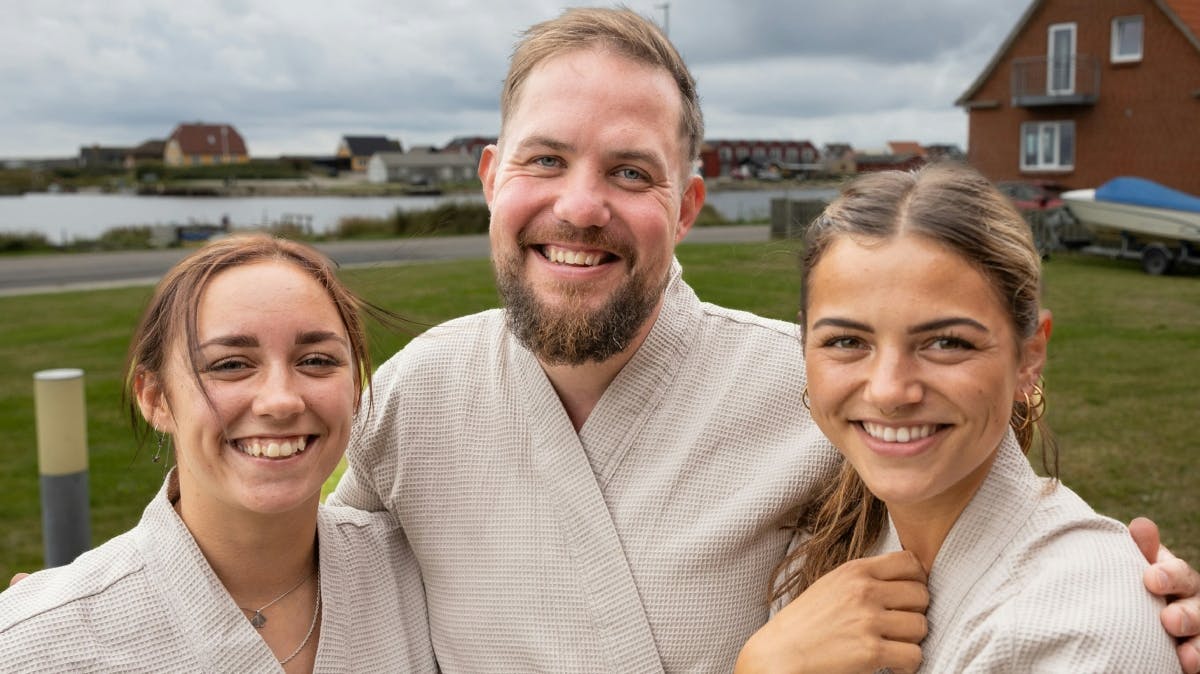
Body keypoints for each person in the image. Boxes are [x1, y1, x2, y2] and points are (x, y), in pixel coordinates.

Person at [329, 7, 1200, 673]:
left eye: (631, 171)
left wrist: (1122, 595)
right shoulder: (417, 395)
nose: (581, 206)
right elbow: (307, 593)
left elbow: (992, 524)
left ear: (687, 206)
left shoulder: (818, 393)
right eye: (545, 160)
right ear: (491, 178)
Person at [735, 164, 1179, 672]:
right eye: (847, 341)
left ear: (1029, 357)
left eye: (947, 343)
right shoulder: (825, 538)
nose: (888, 391)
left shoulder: (1082, 631)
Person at [0, 235, 436, 672]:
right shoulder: (37, 645)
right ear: (155, 399)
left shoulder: (422, 576)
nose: (281, 400)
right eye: (230, 365)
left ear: (355, 390)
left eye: (317, 360)